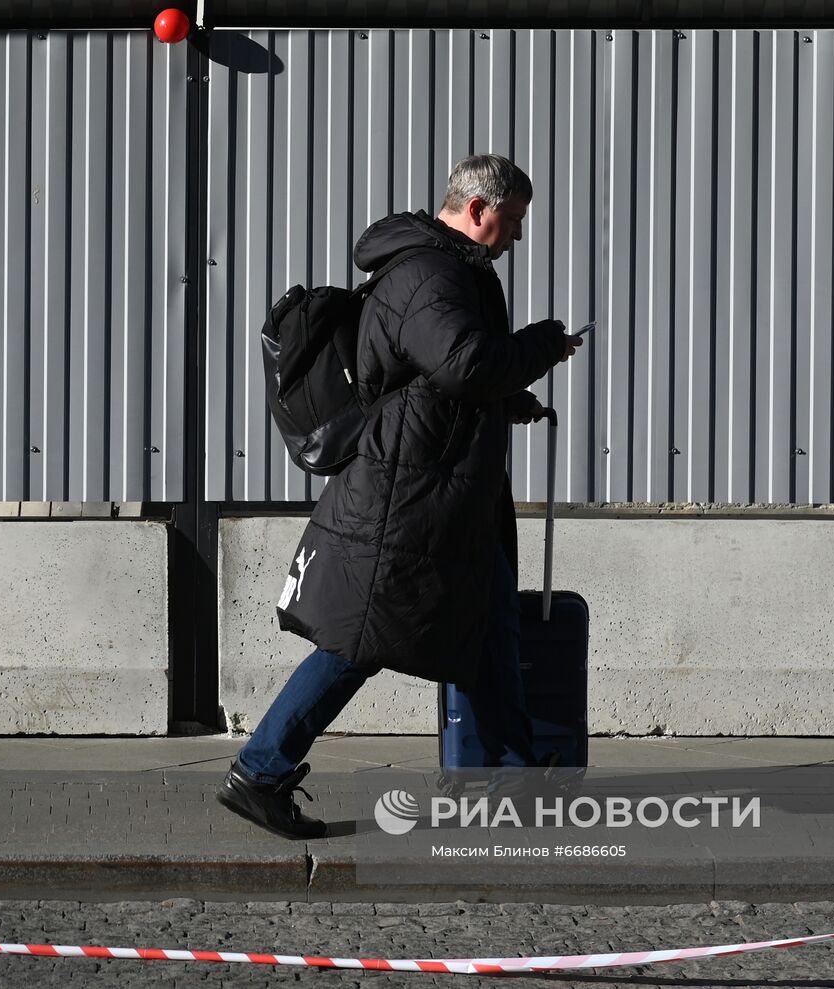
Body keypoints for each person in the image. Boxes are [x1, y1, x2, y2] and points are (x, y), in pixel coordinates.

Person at [217, 154, 583, 839]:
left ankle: (514, 776)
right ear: (478, 211)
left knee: (490, 621)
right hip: (405, 502)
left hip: (442, 496)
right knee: (355, 644)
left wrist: (509, 402)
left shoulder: (442, 271)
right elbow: (463, 363)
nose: (518, 237)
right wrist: (538, 344)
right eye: (513, 221)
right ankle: (259, 771)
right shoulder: (429, 273)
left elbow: (438, 382)